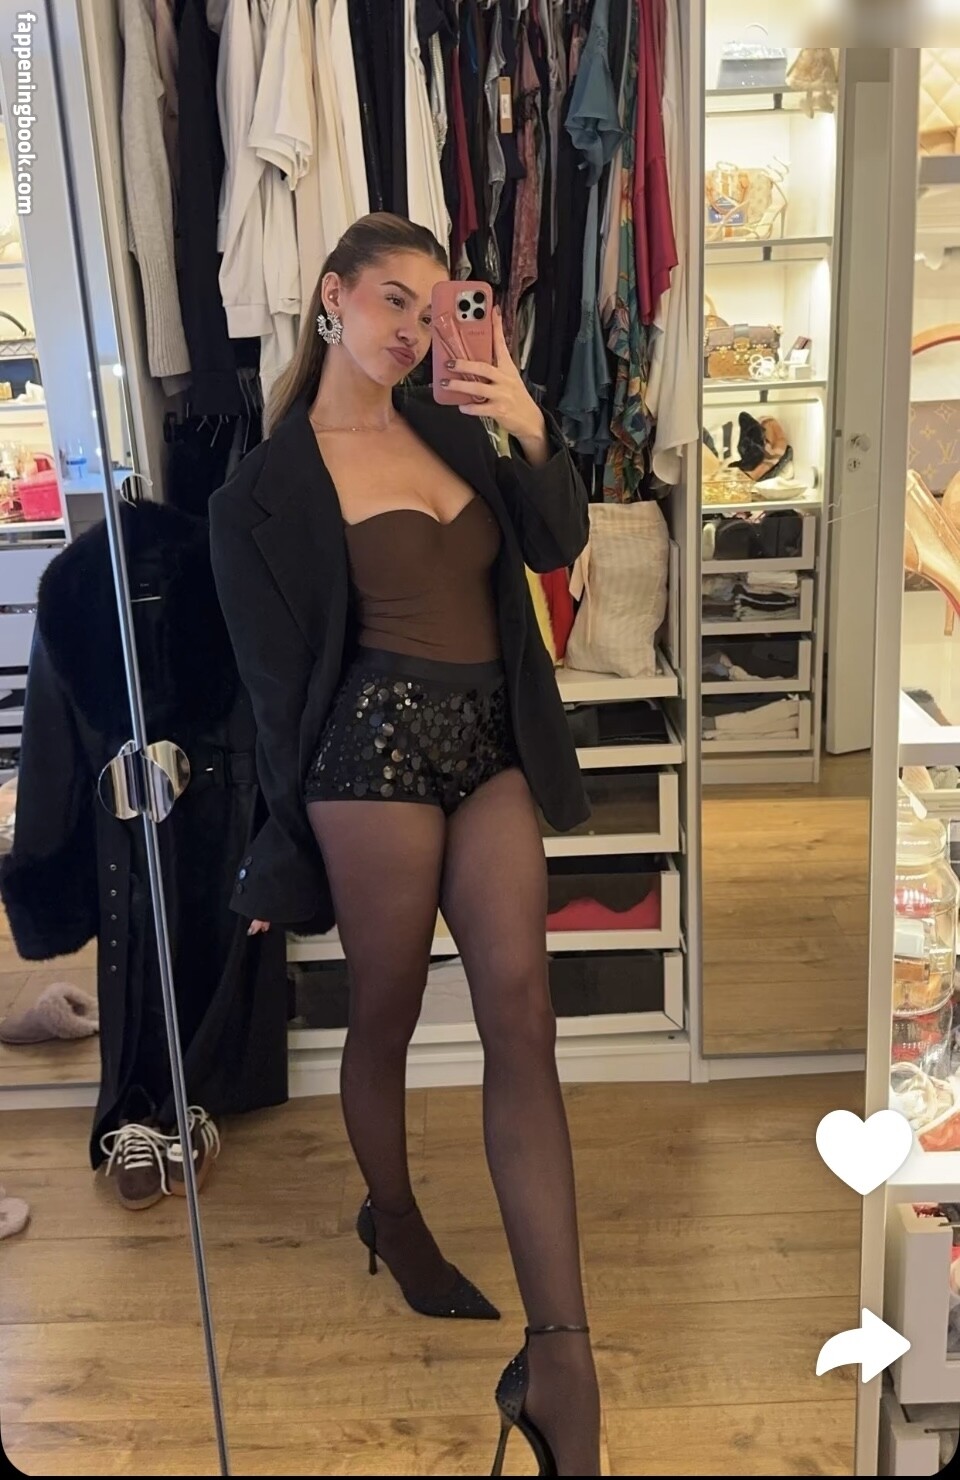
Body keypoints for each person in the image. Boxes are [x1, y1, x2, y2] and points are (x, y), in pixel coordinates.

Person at [209, 213, 600, 1476]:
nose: (414, 330)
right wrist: (278, 855)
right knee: (384, 1013)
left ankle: (563, 1364)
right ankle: (395, 1216)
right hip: (367, 759)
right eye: (392, 300)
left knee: (521, 1017)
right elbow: (275, 702)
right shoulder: (258, 494)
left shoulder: (458, 426)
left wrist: (529, 421)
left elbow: (556, 543)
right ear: (331, 297)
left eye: (434, 311)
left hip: (490, 746)